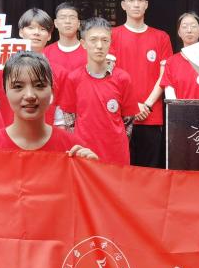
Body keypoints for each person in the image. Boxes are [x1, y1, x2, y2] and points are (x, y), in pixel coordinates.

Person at [0, 51, 98, 157]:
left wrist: (90, 169)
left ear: (52, 91)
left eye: (39, 85)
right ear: (5, 91)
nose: (30, 95)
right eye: (18, 86)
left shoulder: (74, 150)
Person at [60, 17, 140, 165]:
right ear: (83, 43)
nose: (99, 46)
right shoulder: (74, 78)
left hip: (116, 156)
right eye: (93, 40)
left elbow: (128, 120)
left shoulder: (123, 78)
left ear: (110, 43)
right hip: (83, 154)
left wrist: (118, 142)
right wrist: (77, 146)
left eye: (105, 40)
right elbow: (69, 120)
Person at [110, 0, 173, 167]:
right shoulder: (112, 35)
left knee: (150, 169)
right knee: (122, 169)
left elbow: (164, 77)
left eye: (140, 0)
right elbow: (110, 75)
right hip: (120, 115)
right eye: (131, 0)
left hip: (150, 115)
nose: (136, 4)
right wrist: (131, 106)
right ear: (123, 5)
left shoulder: (161, 37)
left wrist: (147, 105)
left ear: (146, 4)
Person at [0, 8, 57, 126]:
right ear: (21, 32)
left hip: (46, 133)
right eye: (30, 28)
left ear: (49, 36)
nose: (36, 32)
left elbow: (60, 113)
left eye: (42, 29)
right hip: (9, 132)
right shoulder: (1, 67)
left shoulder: (57, 71)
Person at [161, 11, 199, 101]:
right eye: (184, 27)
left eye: (193, 26)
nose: (189, 30)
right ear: (179, 33)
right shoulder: (171, 62)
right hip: (179, 109)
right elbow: (170, 97)